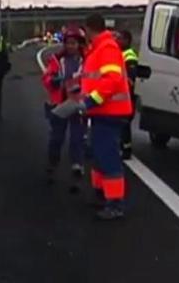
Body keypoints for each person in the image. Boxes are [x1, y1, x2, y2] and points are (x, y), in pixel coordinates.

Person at [52, 14, 133, 220]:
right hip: (101, 112)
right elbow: (94, 78)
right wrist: (79, 91)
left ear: (89, 29)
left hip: (110, 111)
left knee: (107, 156)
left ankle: (115, 204)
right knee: (98, 154)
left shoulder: (106, 48)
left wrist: (90, 101)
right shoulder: (98, 48)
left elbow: (111, 81)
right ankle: (102, 195)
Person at [41, 27, 87, 191]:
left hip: (78, 104)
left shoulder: (86, 60)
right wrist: (53, 80)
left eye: (74, 43)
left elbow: (93, 79)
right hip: (60, 105)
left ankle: (77, 168)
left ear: (80, 44)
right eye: (68, 43)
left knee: (77, 139)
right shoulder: (57, 60)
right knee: (56, 138)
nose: (70, 46)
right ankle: (52, 166)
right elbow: (46, 77)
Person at [116, 30, 139, 160]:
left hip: (127, 96)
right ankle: (122, 146)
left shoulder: (129, 56)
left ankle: (126, 149)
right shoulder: (120, 54)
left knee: (124, 123)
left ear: (127, 40)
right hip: (120, 96)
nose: (118, 41)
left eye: (120, 38)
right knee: (120, 123)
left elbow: (130, 79)